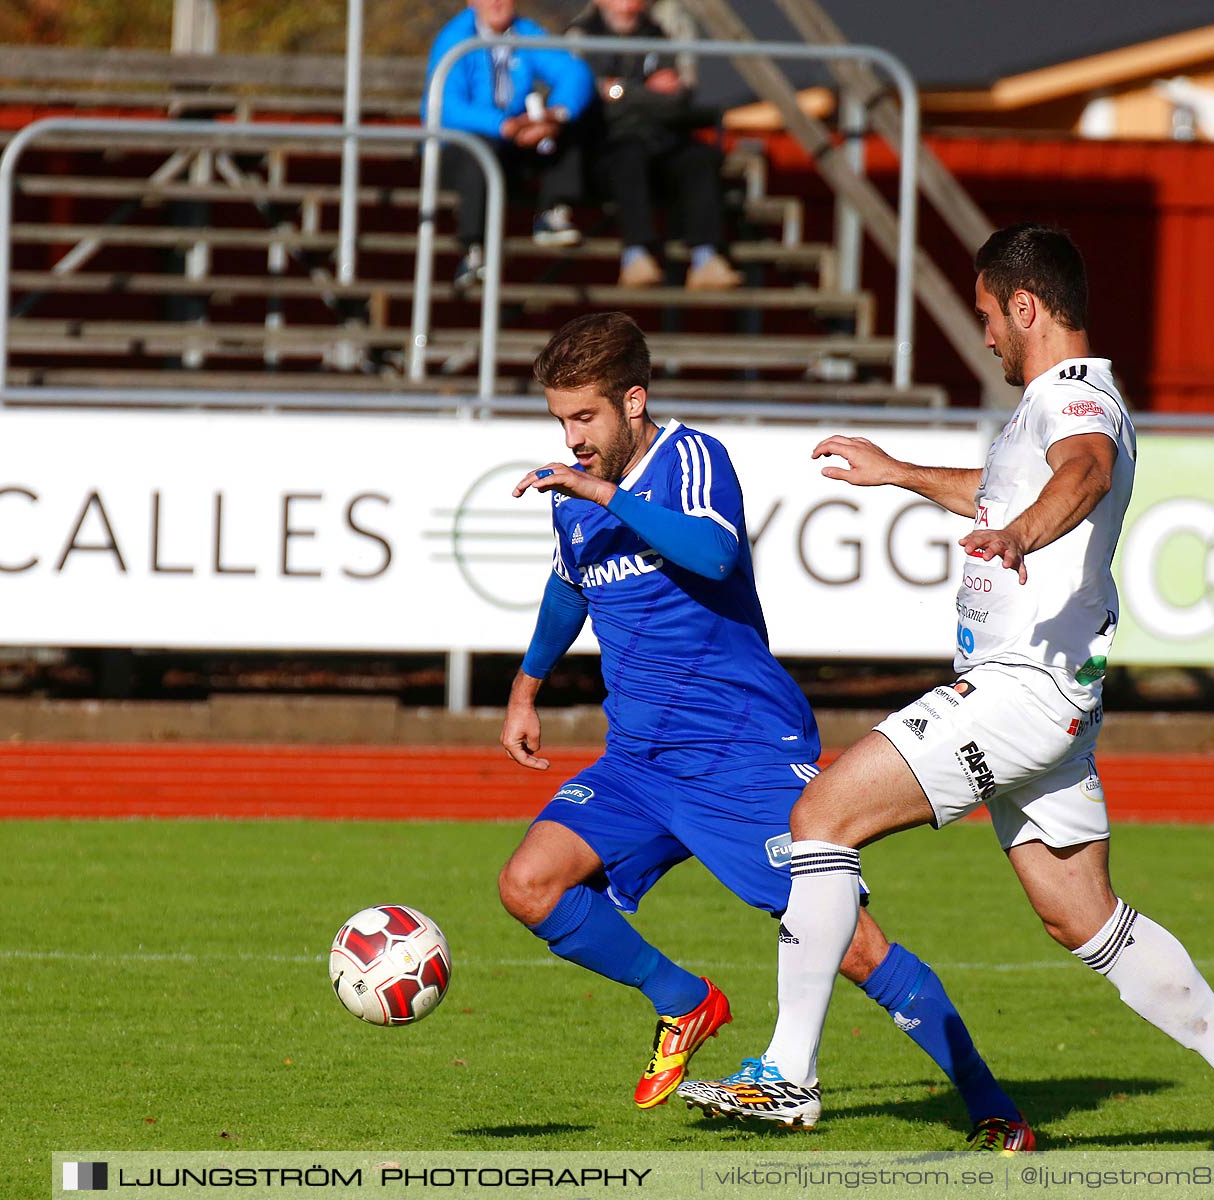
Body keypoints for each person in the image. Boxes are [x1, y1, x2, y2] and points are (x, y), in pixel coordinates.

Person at [678, 225, 1214, 1173]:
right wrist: (902, 475)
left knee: (820, 817)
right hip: (1055, 696)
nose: (982, 337)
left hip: (1020, 687)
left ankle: (787, 1073)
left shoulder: (1077, 400)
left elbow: (1085, 474)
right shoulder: (1046, 408)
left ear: (1025, 307)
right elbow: (998, 487)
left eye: (986, 317)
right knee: (1081, 916)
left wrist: (1023, 534)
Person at [499, 311, 1030, 1149]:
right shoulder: (575, 495)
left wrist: (603, 491)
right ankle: (685, 1000)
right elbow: (570, 588)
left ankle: (993, 1106)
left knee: (853, 947)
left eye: (584, 417)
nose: (572, 437)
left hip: (739, 754)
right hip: (639, 761)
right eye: (561, 420)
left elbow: (711, 555)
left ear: (633, 402)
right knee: (529, 884)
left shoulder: (691, 461)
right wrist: (526, 689)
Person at [565, 0, 741, 290]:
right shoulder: (581, 37)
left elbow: (677, 98)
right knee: (628, 156)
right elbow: (588, 99)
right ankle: (637, 255)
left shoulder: (660, 33)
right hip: (607, 145)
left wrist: (620, 91)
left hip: (661, 138)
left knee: (699, 157)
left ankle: (706, 258)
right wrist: (646, 92)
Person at [425, 0, 595, 289]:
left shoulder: (524, 32)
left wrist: (554, 116)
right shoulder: (455, 40)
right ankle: (474, 249)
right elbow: (445, 108)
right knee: (479, 151)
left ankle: (553, 212)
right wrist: (504, 125)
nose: (497, 2)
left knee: (569, 129)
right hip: (464, 146)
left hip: (513, 141)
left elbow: (573, 73)